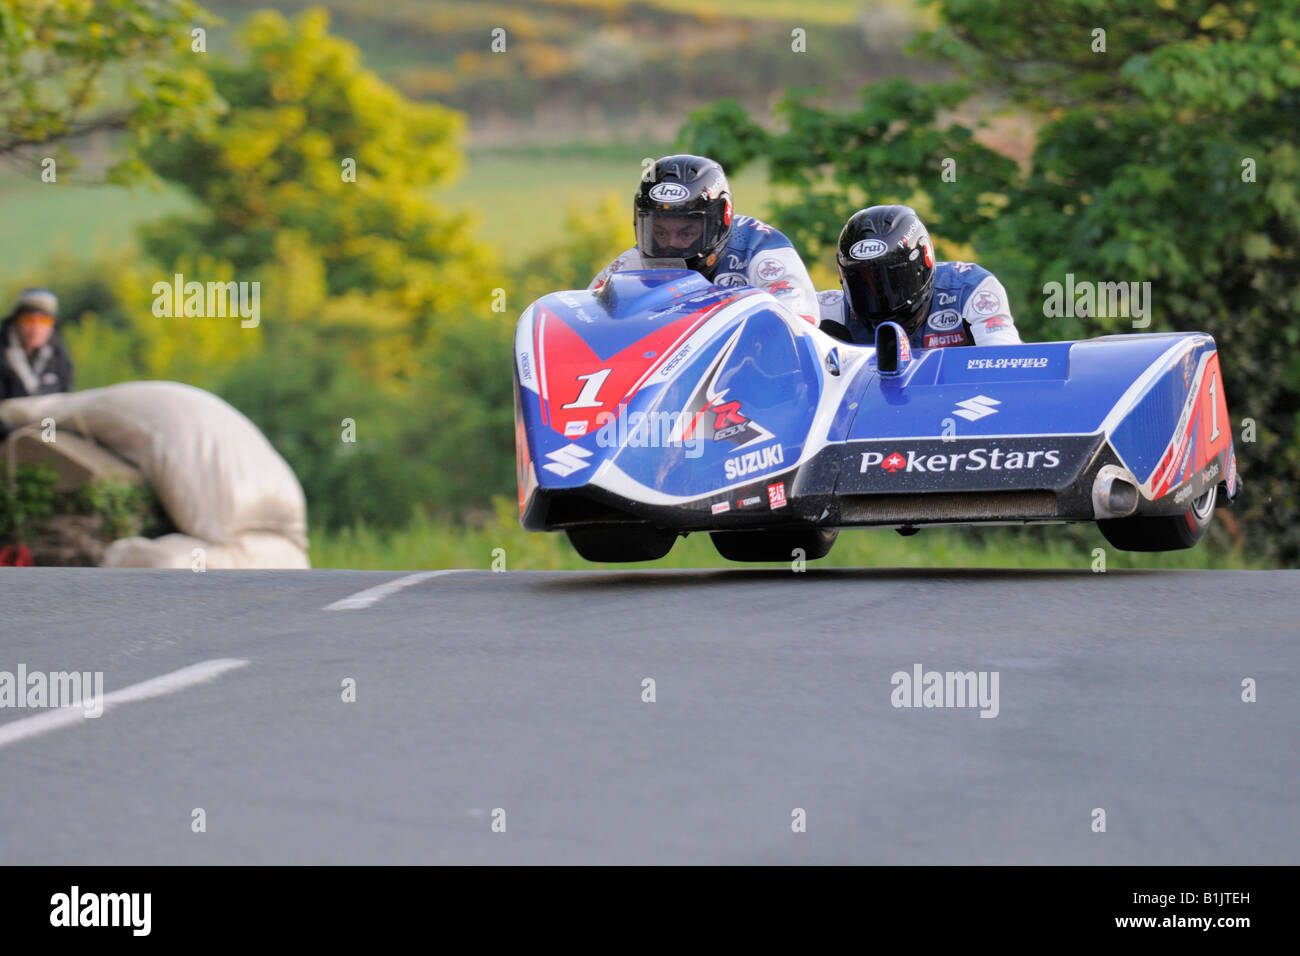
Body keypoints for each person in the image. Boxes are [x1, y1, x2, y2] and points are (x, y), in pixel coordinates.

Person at [589, 154, 820, 324]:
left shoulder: (763, 251)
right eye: (660, 232)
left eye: (686, 233)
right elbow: (587, 315)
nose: (670, 244)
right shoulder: (634, 262)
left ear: (720, 221)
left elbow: (800, 324)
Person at [819, 205, 1022, 348]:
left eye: (892, 281)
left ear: (923, 261)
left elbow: (1006, 362)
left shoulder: (971, 290)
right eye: (863, 282)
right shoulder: (830, 310)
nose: (878, 294)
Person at [1, 288, 74, 400]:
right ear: (16, 321)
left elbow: (65, 397)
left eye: (44, 321)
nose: (36, 328)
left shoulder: (59, 356)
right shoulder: (3, 354)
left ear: (53, 324)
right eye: (29, 320)